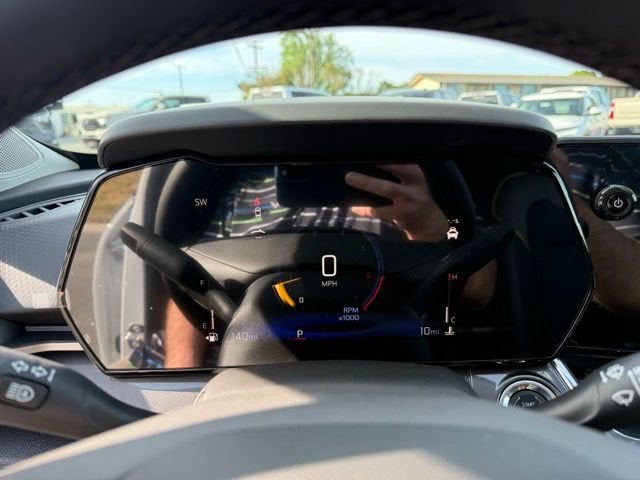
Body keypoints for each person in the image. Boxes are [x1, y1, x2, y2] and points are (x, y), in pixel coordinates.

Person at [164, 164, 496, 368]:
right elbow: (195, 279)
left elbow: (478, 292)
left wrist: (426, 223)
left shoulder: (410, 183)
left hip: (401, 368)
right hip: (243, 367)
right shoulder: (243, 187)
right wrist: (182, 379)